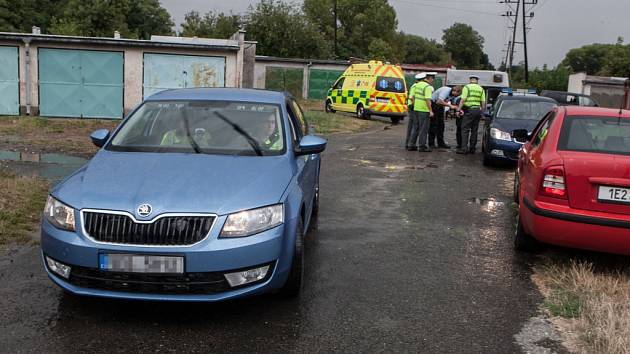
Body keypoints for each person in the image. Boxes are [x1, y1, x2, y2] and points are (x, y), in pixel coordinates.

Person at [457, 75, 486, 154]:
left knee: (465, 129)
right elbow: (483, 102)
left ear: (470, 80)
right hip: (477, 110)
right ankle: (472, 148)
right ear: (477, 80)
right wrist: (482, 112)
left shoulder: (467, 87)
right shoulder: (481, 89)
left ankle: (464, 149)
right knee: (474, 130)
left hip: (469, 110)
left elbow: (463, 100)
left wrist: (458, 109)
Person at [411, 72, 436, 152]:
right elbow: (427, 100)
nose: (433, 80)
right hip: (424, 110)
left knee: (416, 127)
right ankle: (422, 146)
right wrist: (431, 111)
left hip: (416, 109)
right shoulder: (427, 87)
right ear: (429, 78)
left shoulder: (417, 85)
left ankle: (411, 145)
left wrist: (415, 105)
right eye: (432, 79)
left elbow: (413, 97)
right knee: (423, 129)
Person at [405, 74, 423, 151]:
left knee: (412, 126)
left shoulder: (415, 85)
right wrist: (415, 106)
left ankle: (409, 144)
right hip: (413, 107)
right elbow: (412, 97)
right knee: (413, 126)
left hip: (412, 107)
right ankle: (409, 144)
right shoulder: (416, 86)